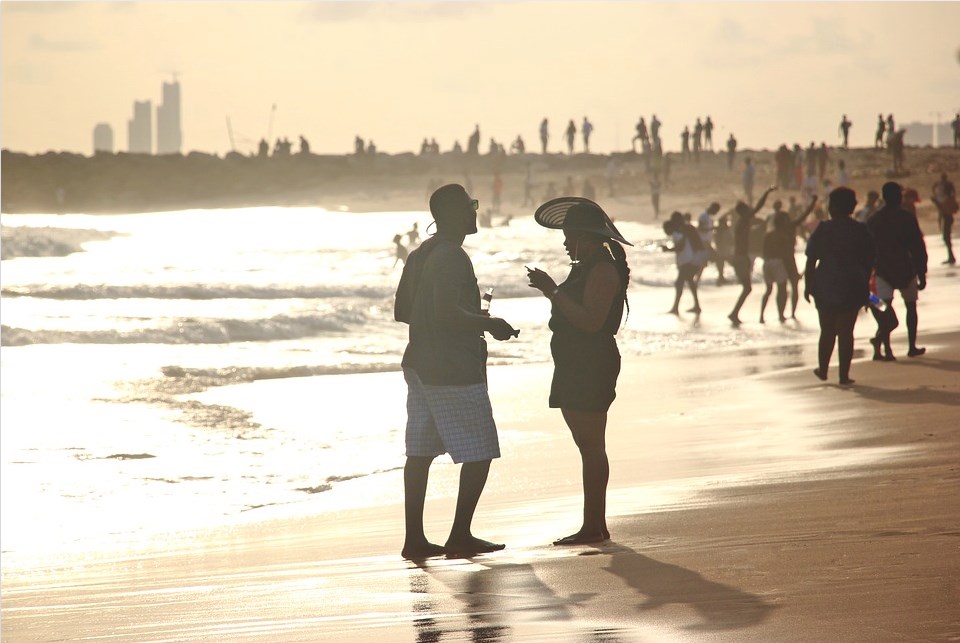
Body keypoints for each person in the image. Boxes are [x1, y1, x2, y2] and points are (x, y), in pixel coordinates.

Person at [394, 184, 519, 559]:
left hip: (419, 362)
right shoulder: (452, 257)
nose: (475, 211)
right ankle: (460, 535)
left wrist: (462, 317)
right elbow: (446, 313)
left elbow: (404, 311)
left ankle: (414, 539)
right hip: (450, 367)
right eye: (470, 206)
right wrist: (488, 322)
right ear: (451, 215)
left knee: (419, 452)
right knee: (480, 449)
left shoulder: (421, 253)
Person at [526, 197, 632, 545]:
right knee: (589, 446)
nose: (566, 242)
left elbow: (590, 321)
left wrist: (551, 289)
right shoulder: (587, 266)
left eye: (570, 235)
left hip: (590, 363)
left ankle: (594, 525)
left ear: (588, 237)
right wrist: (553, 291)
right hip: (577, 363)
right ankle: (595, 525)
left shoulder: (602, 269)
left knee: (591, 447)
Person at [803, 187, 875, 385]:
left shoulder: (824, 229)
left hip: (825, 284)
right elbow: (868, 261)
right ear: (852, 207)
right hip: (852, 284)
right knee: (846, 332)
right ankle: (844, 375)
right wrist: (865, 287)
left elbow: (811, 262)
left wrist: (808, 286)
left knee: (827, 331)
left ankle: (823, 369)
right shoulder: (860, 230)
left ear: (832, 207)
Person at [867, 181, 928, 360]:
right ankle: (909, 346)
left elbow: (867, 249)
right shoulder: (906, 217)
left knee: (886, 309)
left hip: (884, 270)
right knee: (909, 307)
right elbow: (918, 247)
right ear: (898, 197)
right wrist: (921, 272)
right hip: (903, 269)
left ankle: (888, 348)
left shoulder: (874, 219)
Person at [727, 186, 776, 325]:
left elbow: (748, 231)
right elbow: (758, 208)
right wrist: (766, 192)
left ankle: (734, 313)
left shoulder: (742, 223)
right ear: (743, 211)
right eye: (748, 209)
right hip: (740, 258)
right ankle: (734, 313)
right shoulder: (743, 220)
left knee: (747, 288)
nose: (750, 211)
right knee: (747, 288)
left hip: (741, 257)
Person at [661, 211, 704, 315]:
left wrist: (668, 249)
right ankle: (697, 306)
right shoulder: (685, 228)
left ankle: (675, 308)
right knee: (690, 280)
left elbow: (681, 246)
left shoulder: (684, 230)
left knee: (679, 283)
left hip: (690, 259)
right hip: (695, 258)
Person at [931, 173, 957, 264]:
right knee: (946, 237)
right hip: (946, 216)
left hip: (947, 217)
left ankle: (951, 257)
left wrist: (935, 202)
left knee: (946, 237)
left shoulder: (945, 201)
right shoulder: (948, 199)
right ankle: (951, 256)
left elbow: (943, 209)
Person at [697, 201, 721, 282]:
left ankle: (696, 281)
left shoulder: (709, 218)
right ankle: (720, 278)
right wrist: (713, 229)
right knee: (718, 259)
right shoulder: (703, 216)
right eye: (716, 211)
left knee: (703, 263)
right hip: (704, 243)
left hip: (707, 243)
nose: (716, 213)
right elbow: (700, 229)